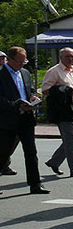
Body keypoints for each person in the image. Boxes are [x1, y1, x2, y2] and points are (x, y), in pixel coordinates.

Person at [0, 46, 49, 194]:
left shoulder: (25, 73)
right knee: (3, 153)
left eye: (24, 61)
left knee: (31, 152)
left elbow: (30, 90)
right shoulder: (1, 74)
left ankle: (35, 184)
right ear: (9, 59)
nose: (22, 64)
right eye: (19, 62)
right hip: (7, 120)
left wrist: (33, 97)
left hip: (26, 119)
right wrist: (16, 104)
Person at [40, 47, 73, 177]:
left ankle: (54, 162)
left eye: (72, 56)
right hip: (64, 110)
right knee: (71, 140)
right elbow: (45, 90)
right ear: (61, 57)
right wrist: (64, 89)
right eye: (67, 56)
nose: (70, 59)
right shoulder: (54, 71)